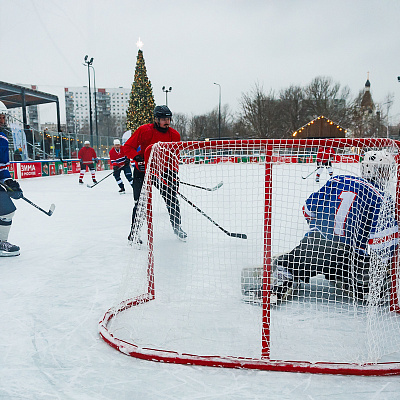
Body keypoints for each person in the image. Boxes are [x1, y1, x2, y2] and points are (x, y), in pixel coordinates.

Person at [269, 150, 398, 304]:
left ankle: (286, 268)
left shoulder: (338, 179)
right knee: (377, 285)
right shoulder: (383, 198)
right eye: (385, 171)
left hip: (315, 247)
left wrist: (320, 230)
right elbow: (383, 242)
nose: (388, 175)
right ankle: (347, 279)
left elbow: (308, 209)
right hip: (349, 256)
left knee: (292, 264)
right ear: (377, 170)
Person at [123, 105, 187, 241]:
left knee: (172, 199)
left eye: (169, 119)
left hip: (163, 171)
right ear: (156, 119)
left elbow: (174, 157)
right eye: (164, 119)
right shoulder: (144, 130)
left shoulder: (174, 135)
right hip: (143, 171)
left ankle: (177, 227)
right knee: (140, 203)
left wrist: (173, 173)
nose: (167, 122)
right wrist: (136, 157)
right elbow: (127, 147)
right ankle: (134, 233)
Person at [0, 101, 23, 256]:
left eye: (3, 117)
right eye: (0, 117)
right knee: (6, 210)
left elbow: (2, 166)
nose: (3, 121)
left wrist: (8, 182)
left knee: (7, 210)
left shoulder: (3, 137)